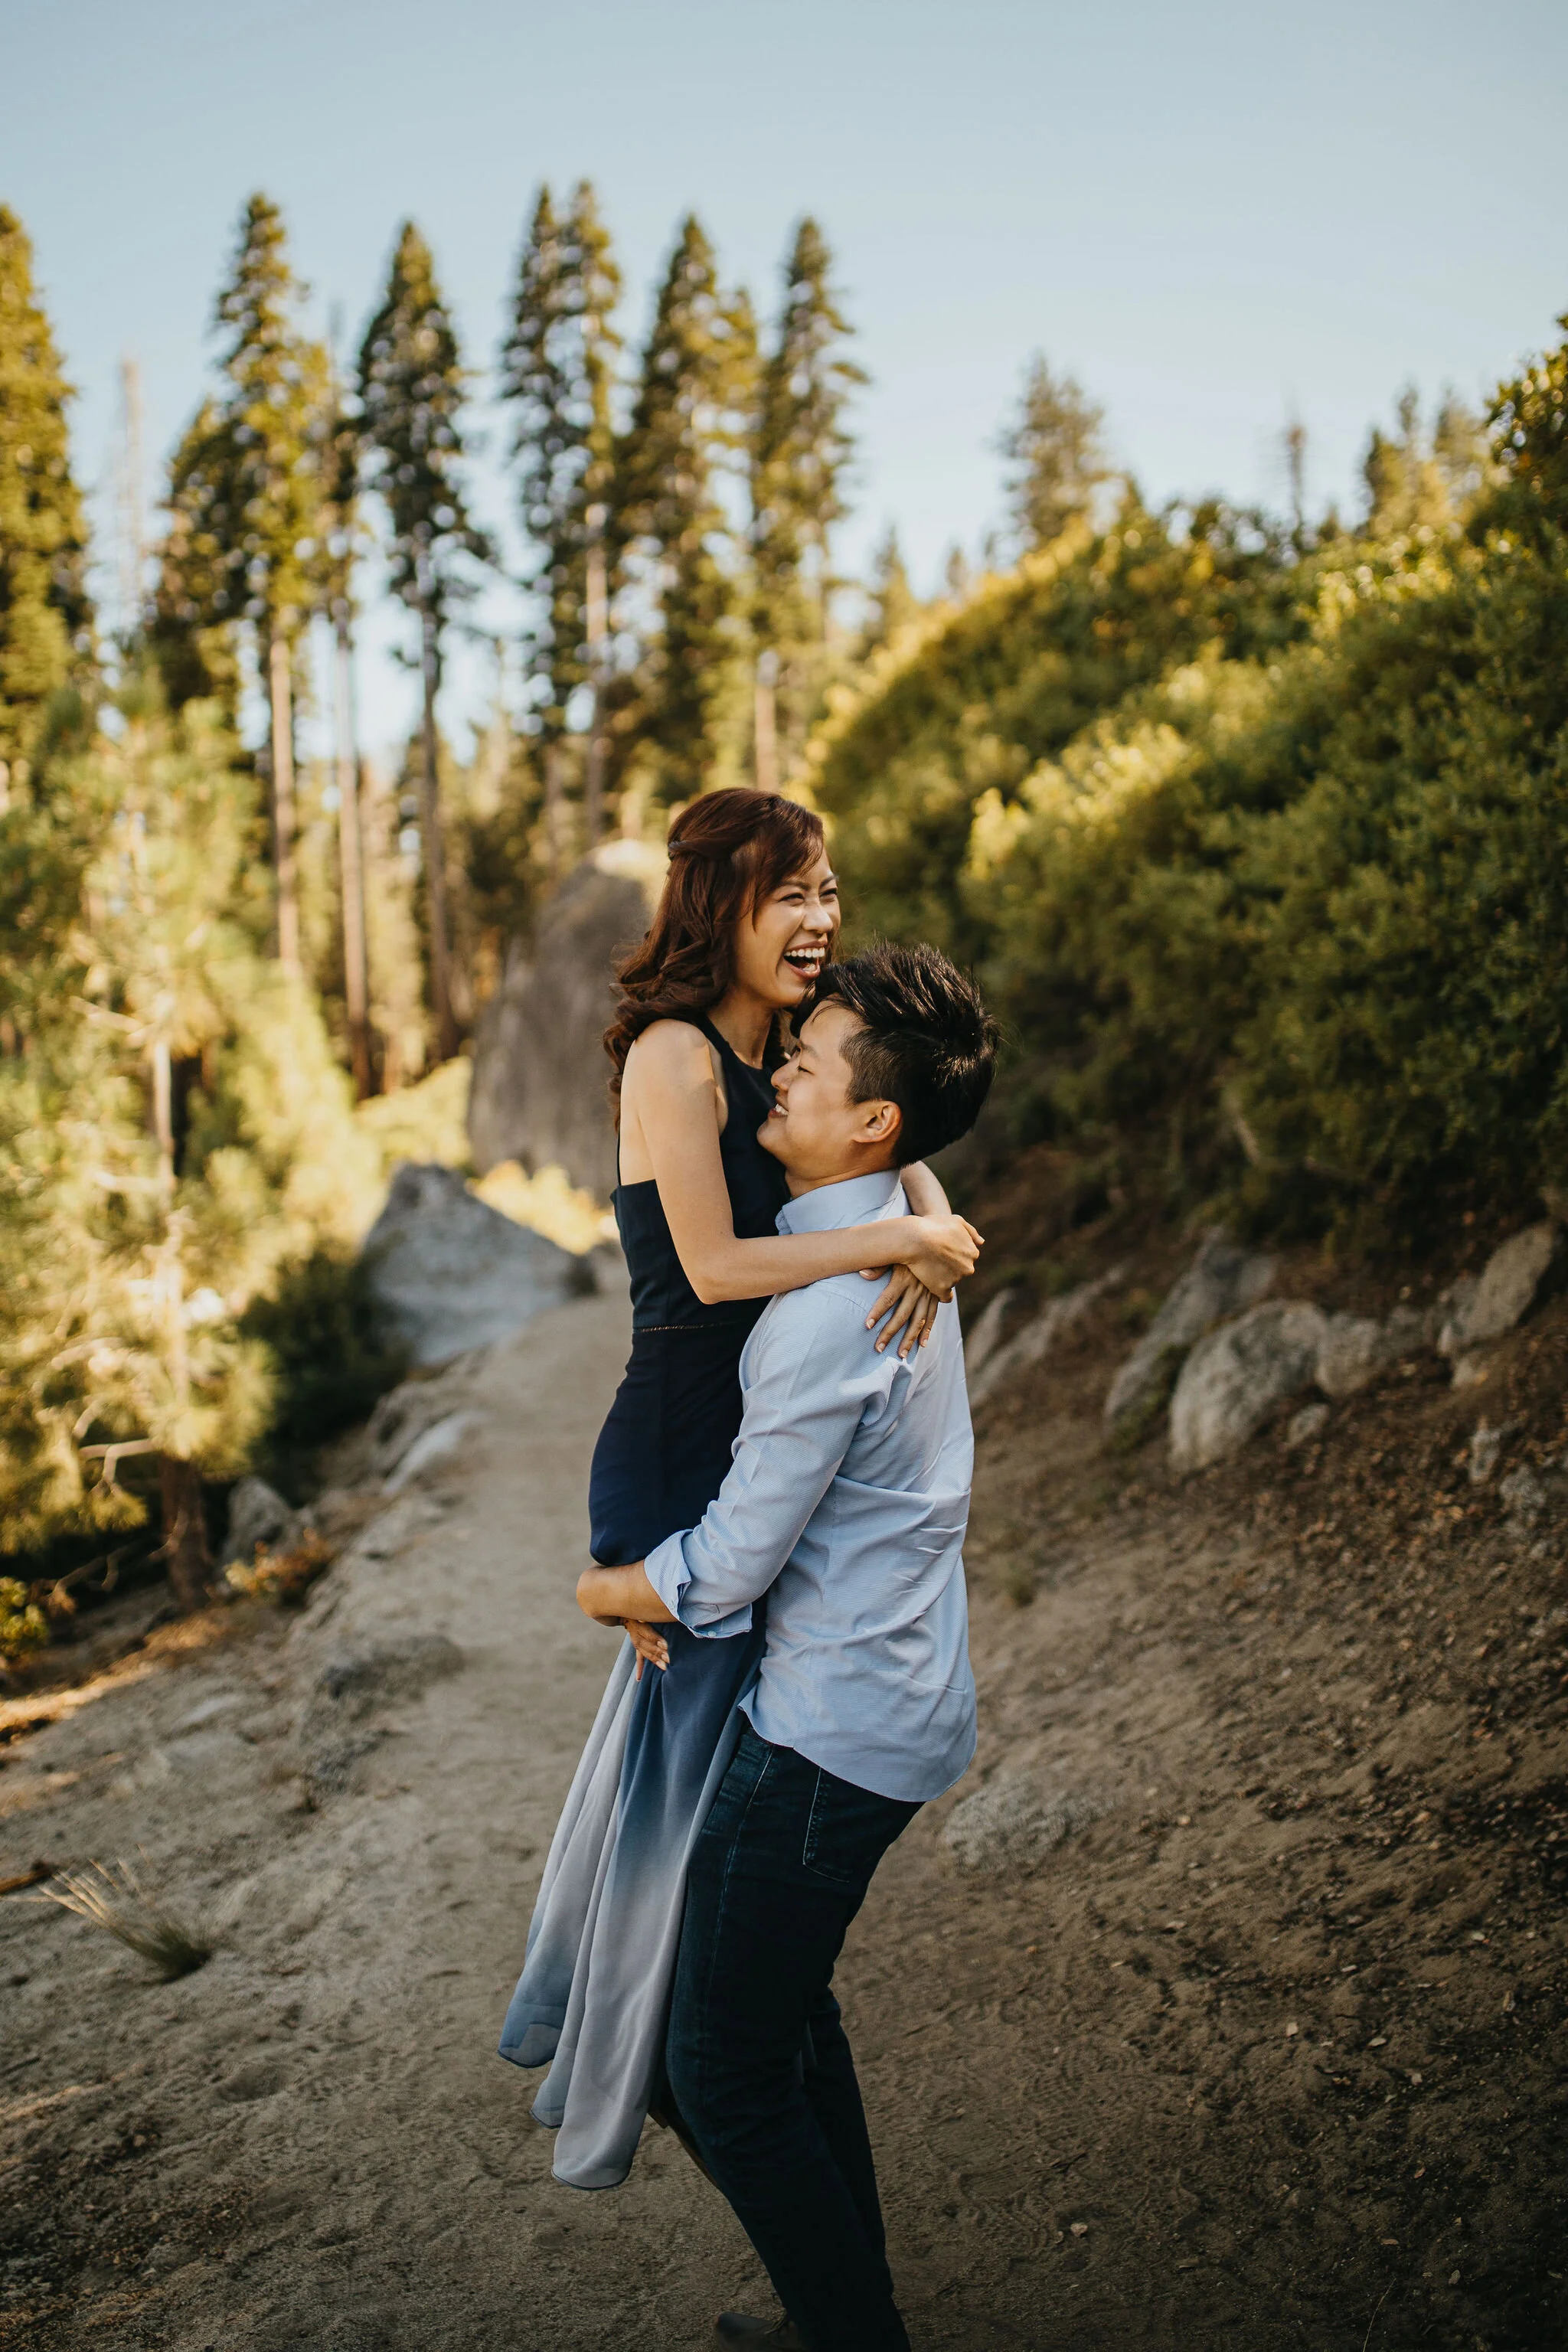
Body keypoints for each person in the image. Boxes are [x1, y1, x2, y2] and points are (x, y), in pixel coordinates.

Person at [498, 791, 982, 2193]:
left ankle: (708, 2040)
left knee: (710, 1815)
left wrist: (927, 1214)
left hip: (761, 1438)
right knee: (669, 1800)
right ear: (718, 902)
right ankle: (622, 2035)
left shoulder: (790, 1046)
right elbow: (711, 1272)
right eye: (792, 895)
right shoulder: (674, 1055)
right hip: (679, 1444)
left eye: (830, 888)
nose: (822, 920)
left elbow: (876, 1134)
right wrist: (900, 1234)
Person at [575, 940, 998, 2352]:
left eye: (808, 1061)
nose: (783, 1066)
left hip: (828, 1731)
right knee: (775, 2016)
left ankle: (852, 2328)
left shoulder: (832, 1311)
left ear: (872, 1122)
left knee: (708, 2068)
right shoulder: (898, 1243)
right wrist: (919, 1203)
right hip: (889, 1694)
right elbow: (899, 1184)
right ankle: (846, 2310)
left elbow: (736, 1563)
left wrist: (610, 1589)